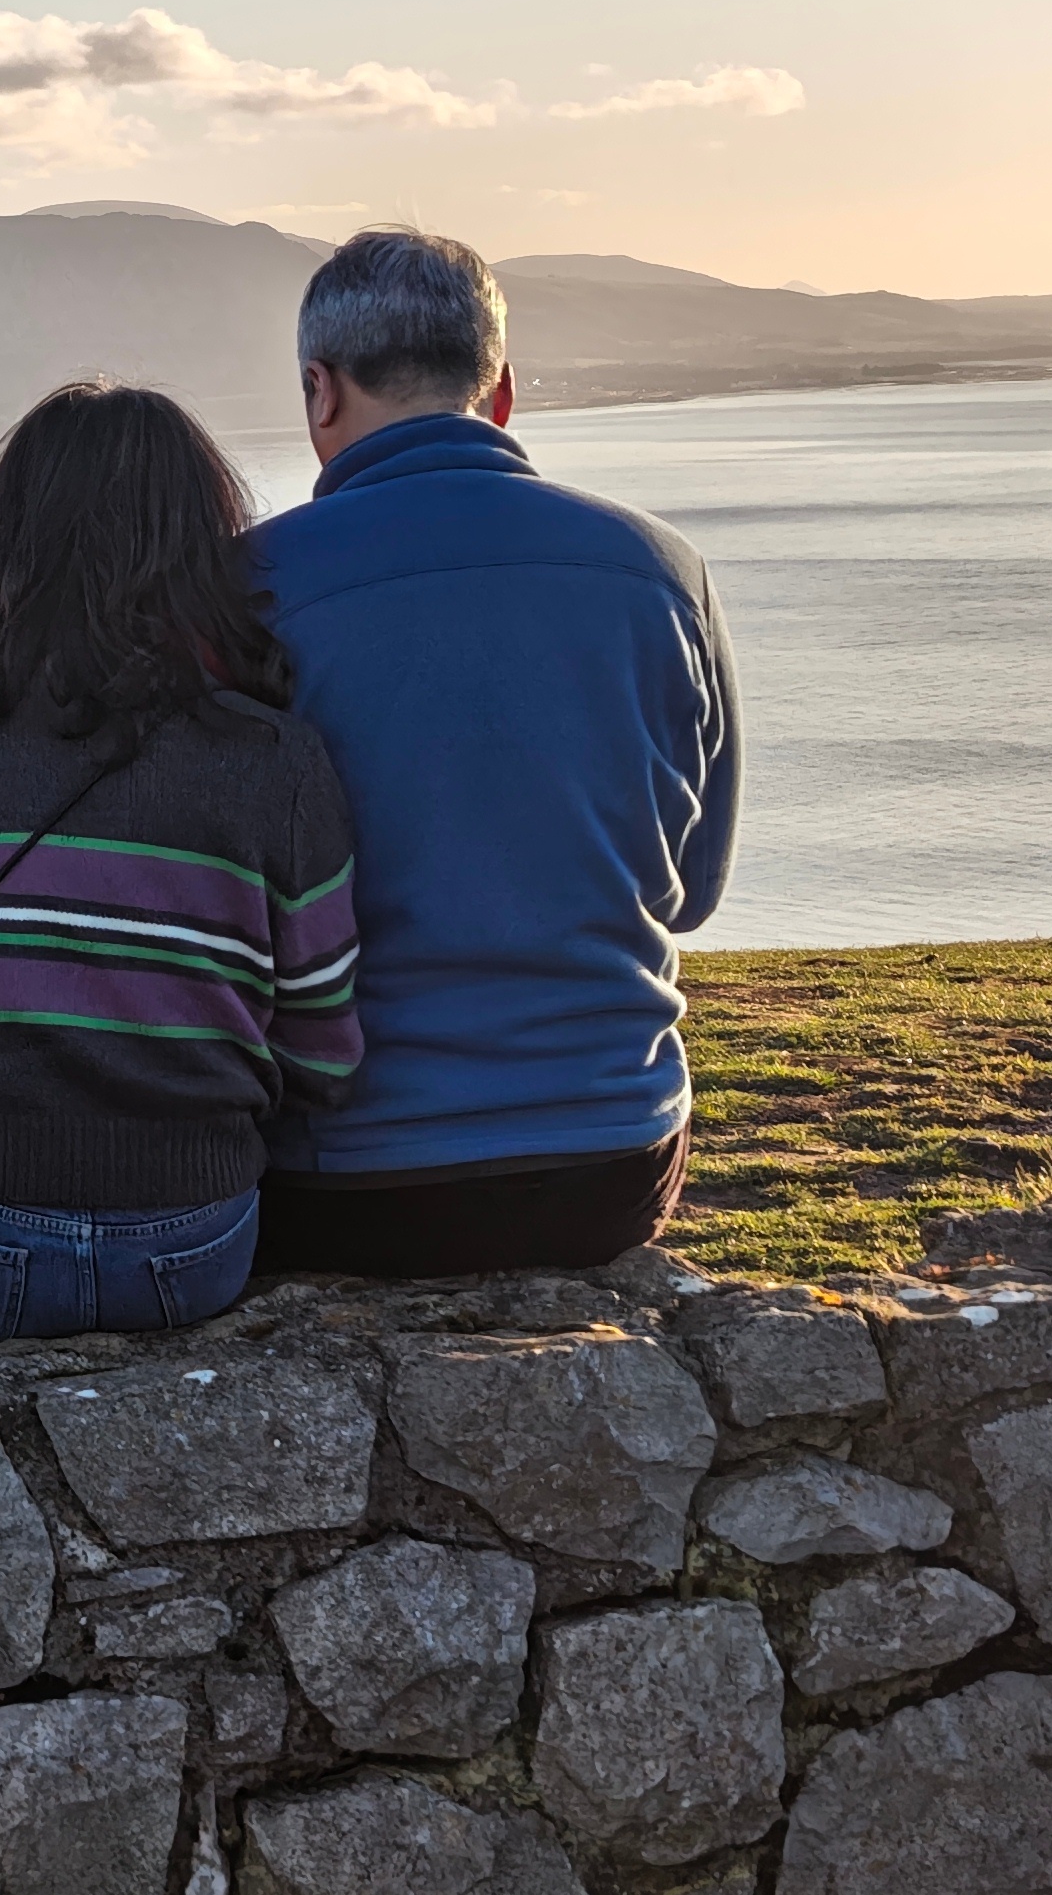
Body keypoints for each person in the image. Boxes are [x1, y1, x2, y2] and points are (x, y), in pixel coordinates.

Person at [0, 380, 362, 1372]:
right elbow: (323, 1058)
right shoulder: (274, 759)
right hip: (188, 1234)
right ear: (204, 542)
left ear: (1, 537)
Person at [247, 226, 740, 1275]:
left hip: (340, 1175)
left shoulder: (243, 591)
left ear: (317, 392)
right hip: (613, 1156)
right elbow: (692, 894)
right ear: (502, 390)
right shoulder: (662, 572)